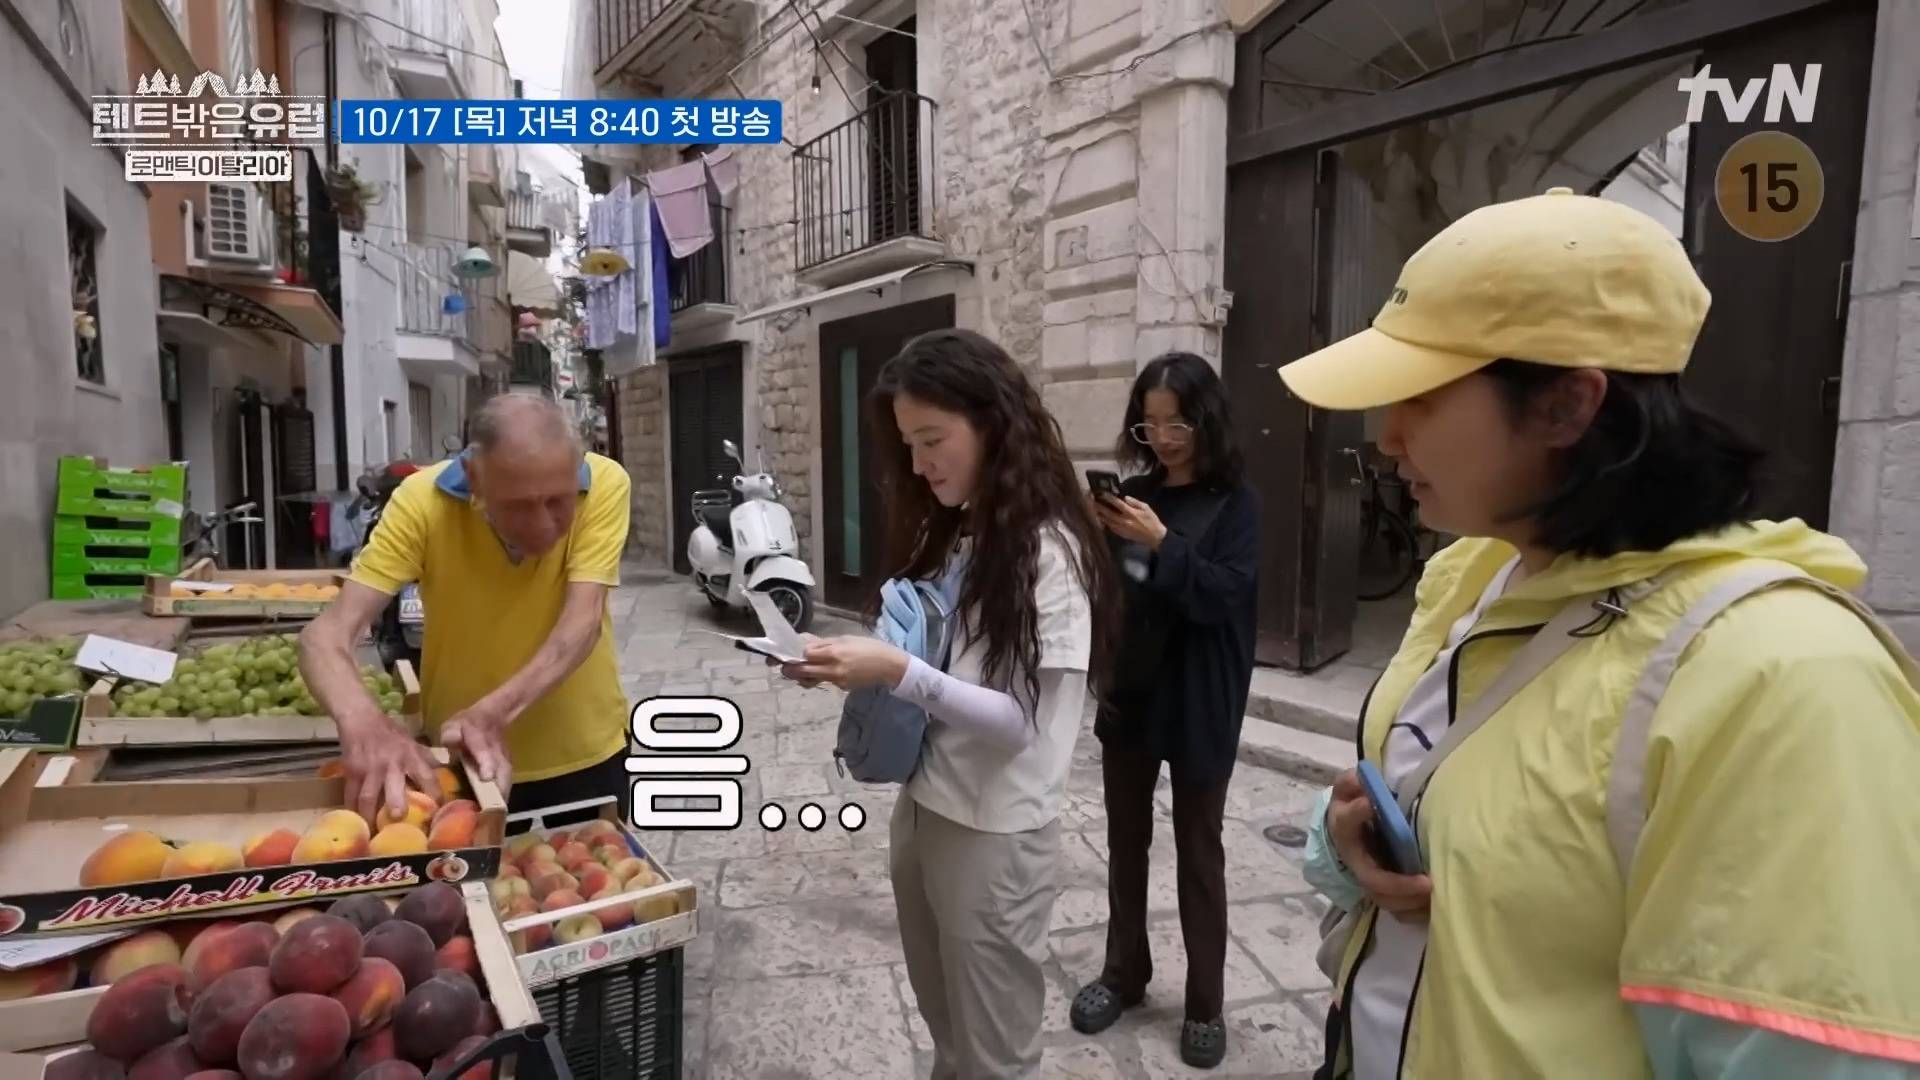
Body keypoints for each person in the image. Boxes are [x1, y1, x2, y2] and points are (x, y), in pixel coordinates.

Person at [1280, 187, 1920, 1078]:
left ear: (1565, 407)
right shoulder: (1473, 576)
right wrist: (1343, 838)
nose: (1386, 436)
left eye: (1419, 396)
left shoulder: (1781, 681)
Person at [773, 328, 1120, 1079]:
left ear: (993, 424)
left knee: (995, 1054)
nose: (920, 463)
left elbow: (1016, 722)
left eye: (933, 440)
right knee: (951, 1036)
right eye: (908, 444)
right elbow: (945, 662)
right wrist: (853, 665)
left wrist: (897, 670)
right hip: (928, 804)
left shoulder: (1047, 551)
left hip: (993, 834)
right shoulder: (968, 531)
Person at [300, 392, 634, 829]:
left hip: (585, 753)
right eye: (518, 506)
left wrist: (491, 712)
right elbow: (323, 637)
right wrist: (364, 721)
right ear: (474, 478)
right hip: (465, 767)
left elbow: (581, 625)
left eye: (559, 500)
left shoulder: (607, 483)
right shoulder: (421, 503)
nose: (543, 524)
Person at [1069, 352, 1260, 1068]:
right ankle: (1126, 972)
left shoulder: (1239, 503)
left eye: (1174, 422)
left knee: (1199, 852)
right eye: (1148, 426)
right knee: (1125, 841)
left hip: (1202, 696)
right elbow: (1124, 589)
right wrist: (1102, 538)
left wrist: (1159, 541)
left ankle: (1206, 1003)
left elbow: (1220, 595)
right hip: (1135, 691)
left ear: (1205, 418)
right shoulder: (1139, 494)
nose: (1162, 438)